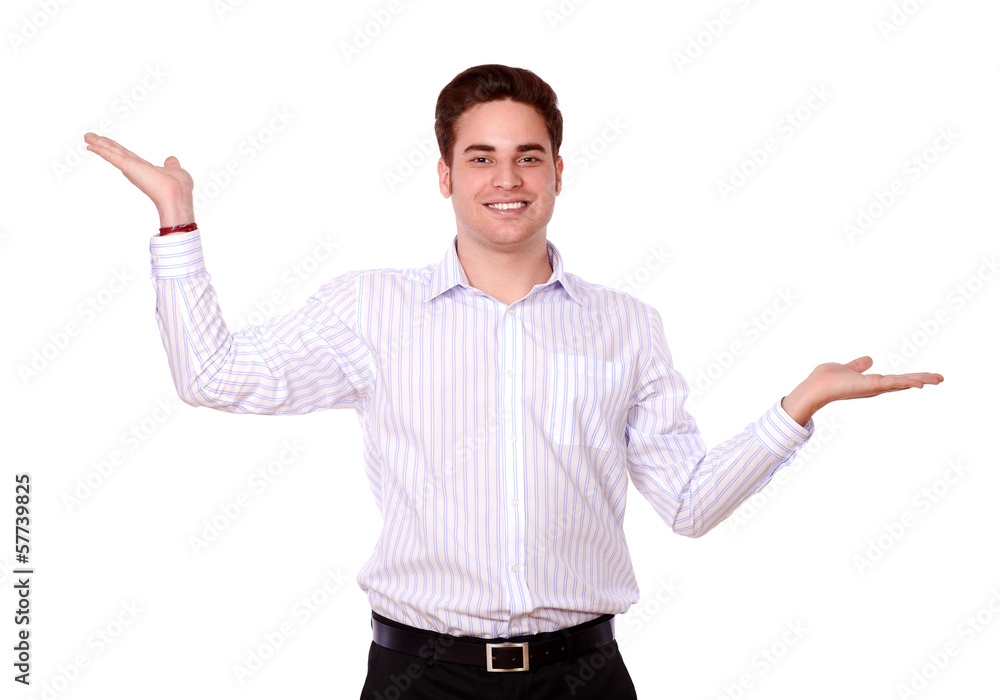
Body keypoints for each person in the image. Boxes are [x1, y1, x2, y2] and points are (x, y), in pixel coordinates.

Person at [84, 64, 942, 700]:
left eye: (529, 157)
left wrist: (800, 404)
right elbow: (211, 375)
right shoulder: (370, 310)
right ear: (445, 175)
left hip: (584, 678)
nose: (507, 180)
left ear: (558, 172)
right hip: (421, 679)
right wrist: (176, 216)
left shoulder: (626, 325)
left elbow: (688, 505)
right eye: (482, 157)